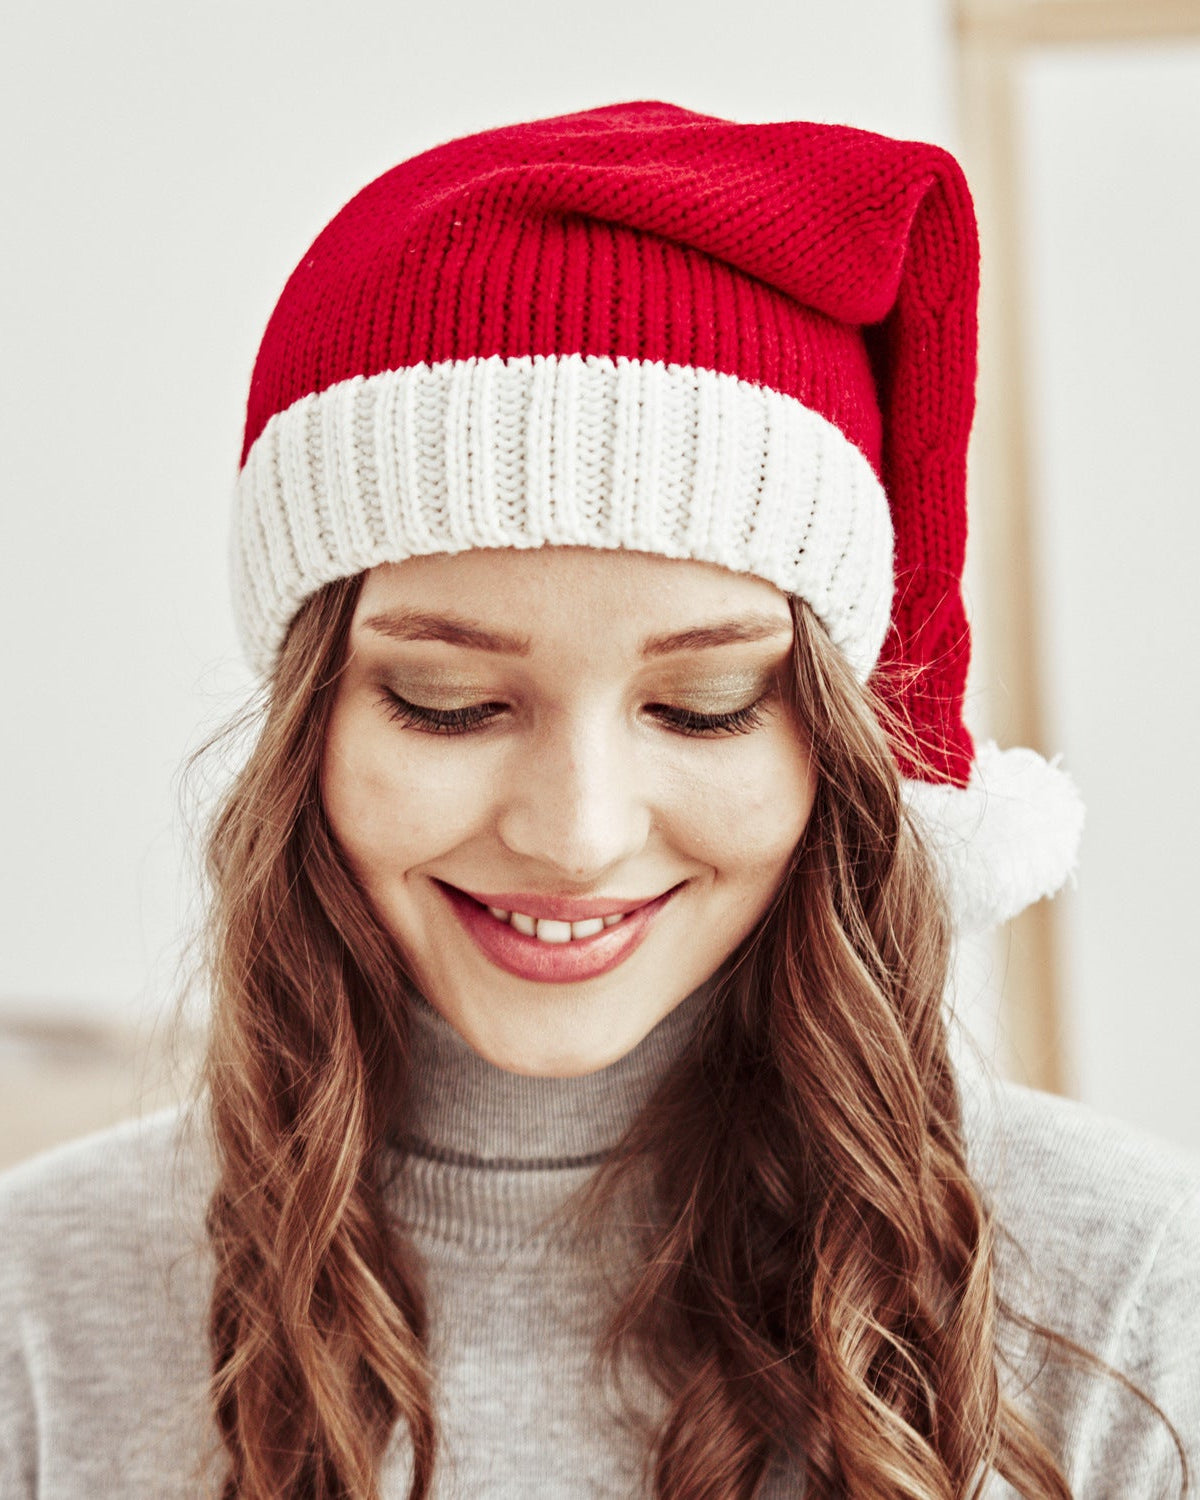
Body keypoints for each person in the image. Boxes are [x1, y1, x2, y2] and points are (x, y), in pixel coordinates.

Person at [0, 98, 1196, 1500]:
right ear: (309, 725)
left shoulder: (1124, 1291)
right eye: (450, 705)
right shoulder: (40, 1309)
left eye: (702, 708)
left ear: (831, 740)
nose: (577, 834)